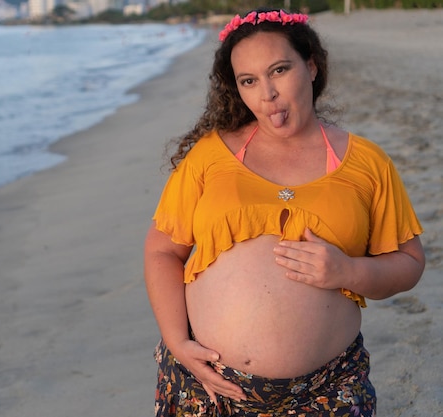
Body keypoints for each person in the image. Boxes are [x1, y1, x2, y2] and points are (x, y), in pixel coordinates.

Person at [143, 8, 425, 417]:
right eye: (249, 81)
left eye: (279, 70)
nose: (267, 93)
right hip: (210, 385)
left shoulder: (367, 163)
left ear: (310, 66)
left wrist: (348, 272)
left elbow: (409, 263)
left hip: (326, 390)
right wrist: (177, 342)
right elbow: (161, 251)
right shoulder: (210, 155)